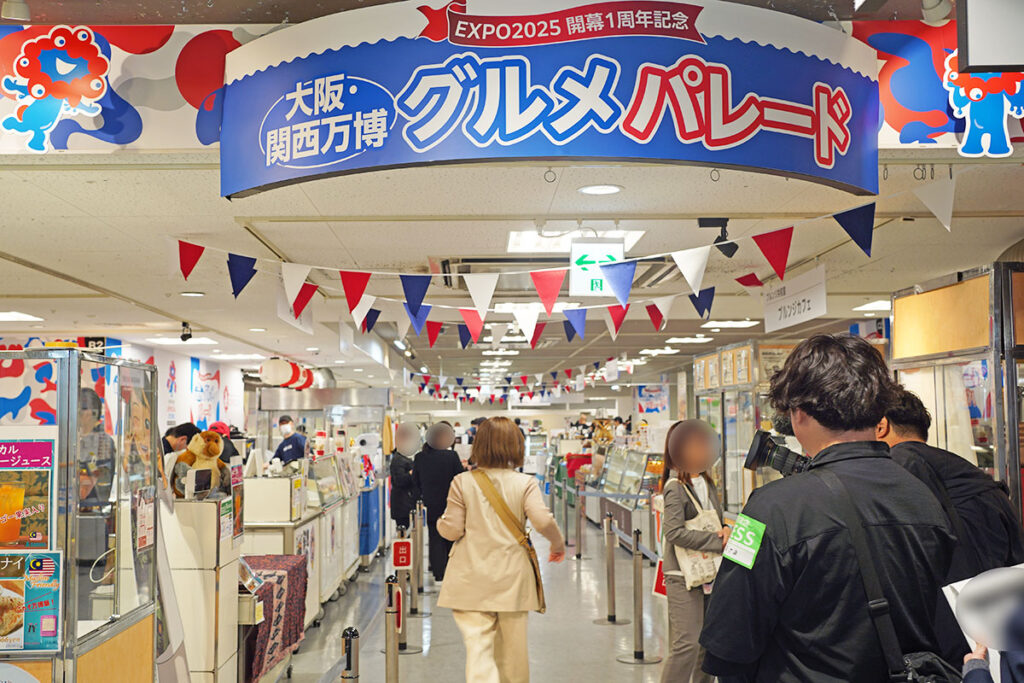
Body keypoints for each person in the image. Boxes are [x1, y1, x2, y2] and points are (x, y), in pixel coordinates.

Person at [700, 334, 956, 681]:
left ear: (799, 413)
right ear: (878, 411)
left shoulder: (768, 507)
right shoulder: (923, 496)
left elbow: (728, 639)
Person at [879, 386, 1024, 662]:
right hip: (1004, 626)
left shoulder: (900, 466)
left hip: (955, 635)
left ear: (881, 426)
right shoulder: (965, 472)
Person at [437, 416, 565, 683]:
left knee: (479, 651)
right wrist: (557, 543)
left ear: (478, 445)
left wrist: (440, 522)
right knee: (514, 654)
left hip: (470, 576)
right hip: (512, 578)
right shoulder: (524, 483)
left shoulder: (463, 482)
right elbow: (542, 520)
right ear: (517, 446)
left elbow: (452, 530)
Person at [659, 419, 726, 683]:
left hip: (711, 572)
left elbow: (715, 522)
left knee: (707, 643)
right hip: (682, 575)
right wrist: (716, 540)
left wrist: (725, 531)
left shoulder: (708, 483)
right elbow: (673, 532)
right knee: (686, 643)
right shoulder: (675, 487)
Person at [412, 422, 465, 582]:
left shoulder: (420, 457)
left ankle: (438, 572)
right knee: (449, 537)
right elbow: (460, 478)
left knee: (434, 537)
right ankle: (449, 569)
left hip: (430, 504)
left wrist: (420, 498)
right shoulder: (451, 456)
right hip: (450, 503)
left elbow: (416, 482)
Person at [390, 423, 421, 528]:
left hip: (406, 504)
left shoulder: (404, 458)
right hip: (402, 505)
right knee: (404, 536)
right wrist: (412, 473)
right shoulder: (398, 460)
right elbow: (400, 480)